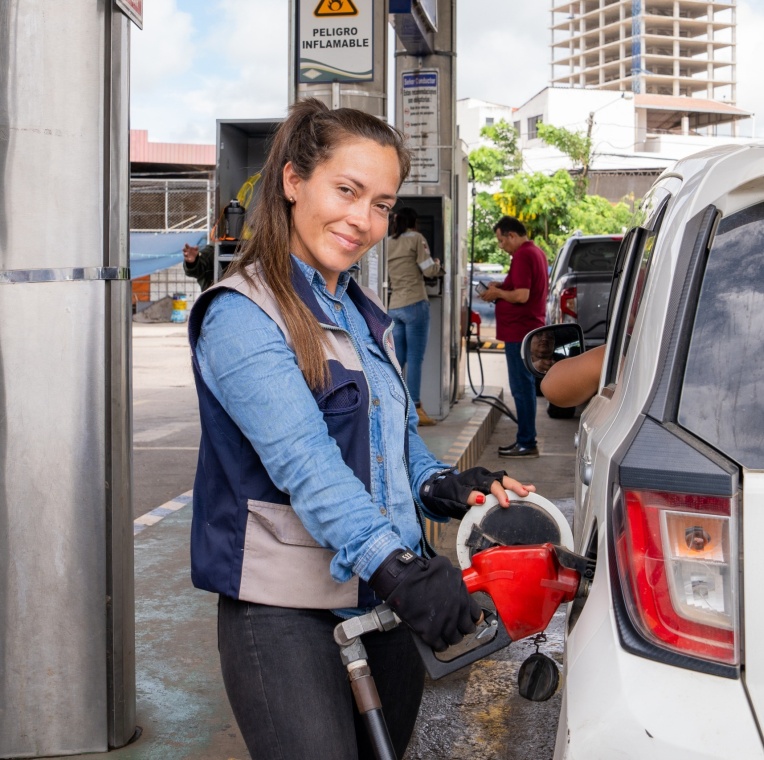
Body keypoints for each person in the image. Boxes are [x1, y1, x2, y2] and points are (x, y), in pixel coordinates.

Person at [186, 98, 534, 760]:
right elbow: (307, 464)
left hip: (380, 600)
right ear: (293, 182)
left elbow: (390, 439)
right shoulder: (242, 315)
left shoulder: (357, 311)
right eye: (347, 190)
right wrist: (400, 565)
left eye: (380, 203)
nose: (363, 220)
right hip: (285, 615)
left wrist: (441, 485)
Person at [479, 216, 549, 458]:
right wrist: (503, 285)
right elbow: (519, 287)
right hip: (526, 330)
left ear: (511, 235)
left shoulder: (522, 255)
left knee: (521, 388)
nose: (501, 246)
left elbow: (521, 296)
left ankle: (526, 442)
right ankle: (526, 439)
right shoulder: (535, 252)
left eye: (501, 240)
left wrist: (497, 292)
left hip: (520, 332)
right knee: (524, 387)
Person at [386, 207, 443, 427]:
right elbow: (429, 271)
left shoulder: (388, 242)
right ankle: (416, 408)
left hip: (394, 307)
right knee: (416, 359)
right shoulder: (417, 239)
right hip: (415, 305)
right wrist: (438, 265)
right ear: (415, 222)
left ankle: (396, 406)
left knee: (398, 360)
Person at [539, 344, 606, 408]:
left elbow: (550, 384)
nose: (544, 339)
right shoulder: (605, 358)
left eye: (550, 336)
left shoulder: (606, 356)